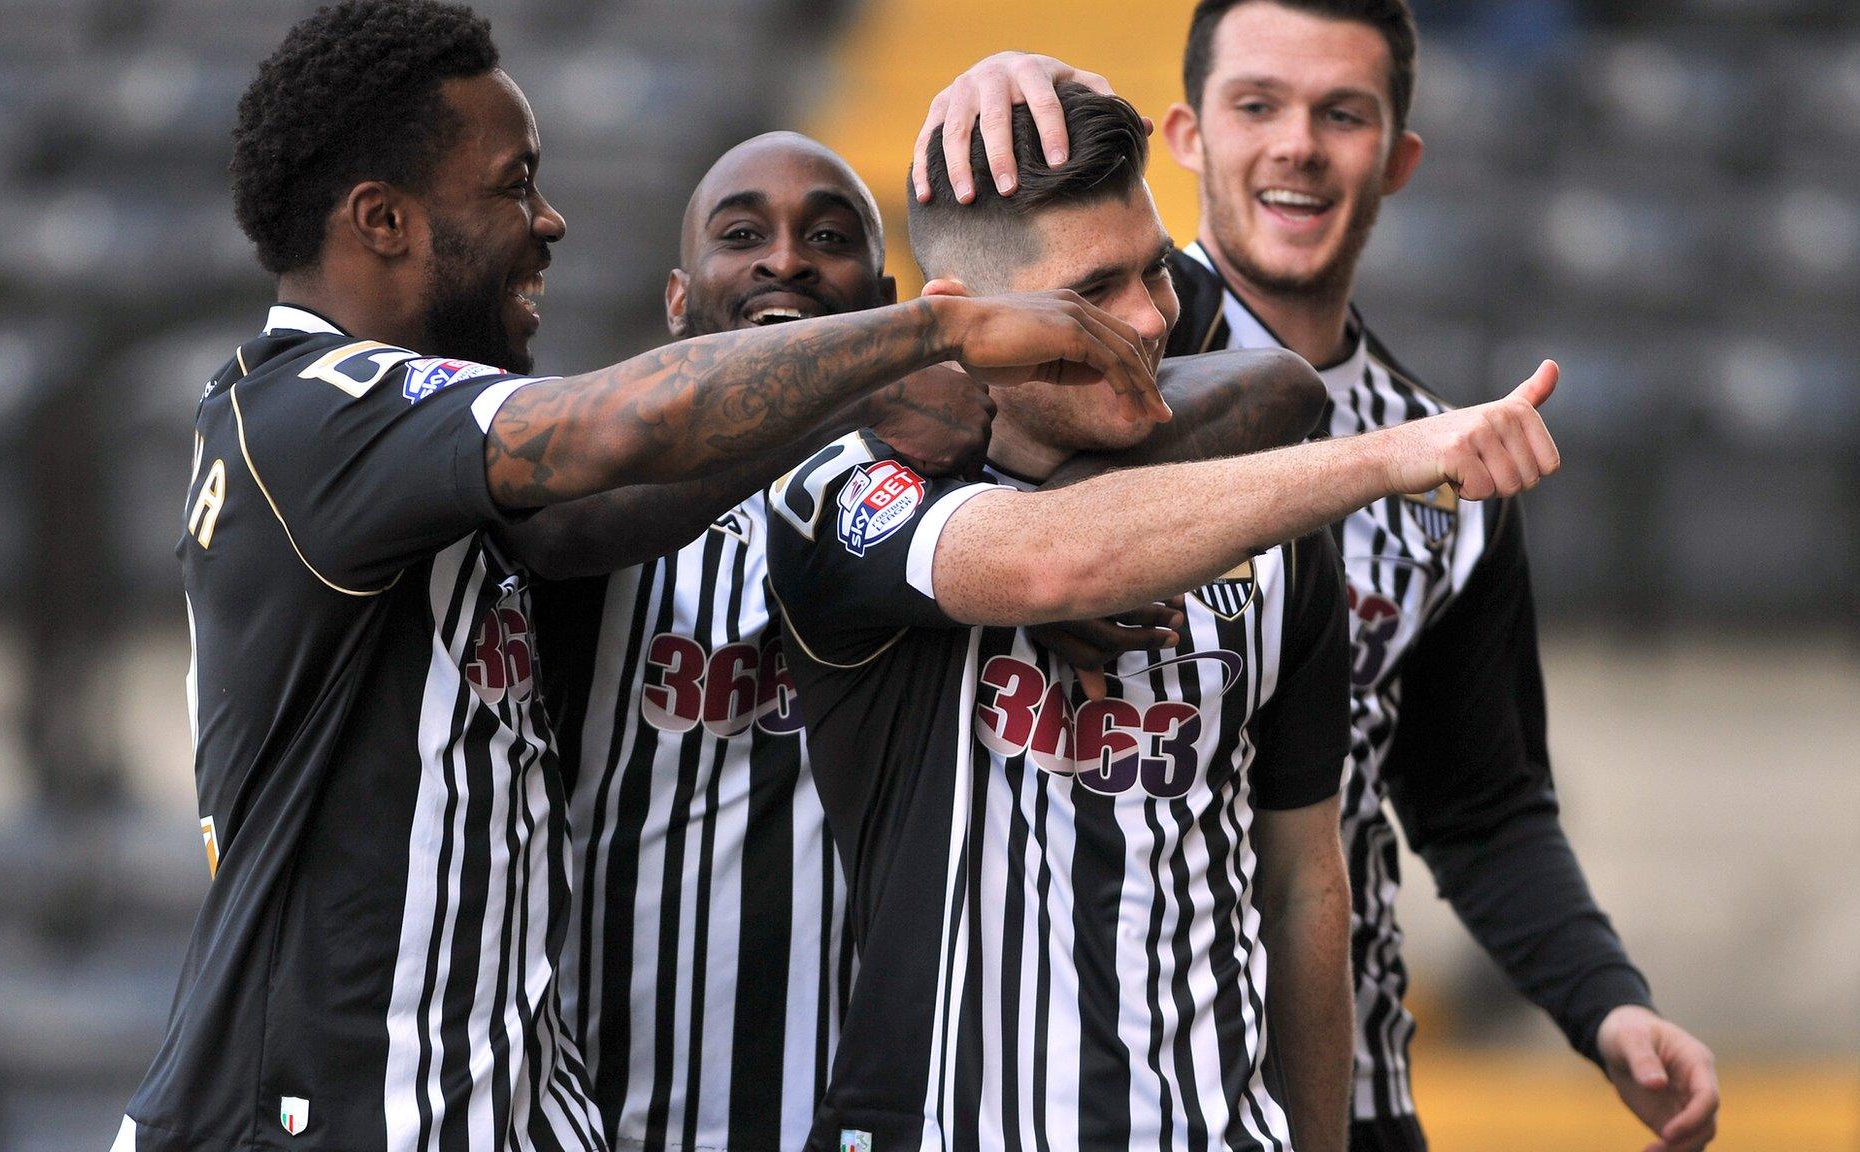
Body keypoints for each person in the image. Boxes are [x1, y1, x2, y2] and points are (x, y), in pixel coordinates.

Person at [111, 2, 1175, 1148]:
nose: (548, 220)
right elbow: (603, 436)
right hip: (312, 1121)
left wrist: (1030, 519)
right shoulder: (310, 410)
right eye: (514, 184)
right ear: (383, 220)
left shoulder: (435, 472)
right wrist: (928, 338)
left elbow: (592, 511)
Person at [912, 4, 1721, 1151]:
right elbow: (879, 396)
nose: (1296, 143)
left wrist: (1607, 1002)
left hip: (1336, 1090)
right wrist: (995, 76)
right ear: (1186, 134)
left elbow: (1480, 806)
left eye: (1340, 113)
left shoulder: (1449, 459)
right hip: (1033, 1086)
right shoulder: (1049, 358)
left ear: (1396, 159)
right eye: (1257, 105)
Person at [770, 83, 1562, 1152]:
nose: (1150, 315)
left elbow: (1300, 890)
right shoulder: (844, 499)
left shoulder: (1270, 527)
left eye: (1153, 268)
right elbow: (1048, 561)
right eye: (1095, 289)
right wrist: (1389, 458)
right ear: (975, 316)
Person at [513, 131, 1329, 1152]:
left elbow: (1277, 385)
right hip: (616, 1109)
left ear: (898, 297)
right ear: (677, 302)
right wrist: (853, 398)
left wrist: (1054, 525)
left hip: (875, 1108)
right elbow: (550, 527)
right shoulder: (617, 511)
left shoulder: (955, 499)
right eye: (740, 235)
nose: (785, 259)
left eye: (827, 235)